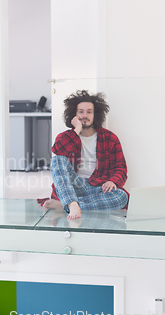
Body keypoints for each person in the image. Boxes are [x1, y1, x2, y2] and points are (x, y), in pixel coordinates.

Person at [42, 90, 129, 219]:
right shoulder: (66, 136)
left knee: (121, 197)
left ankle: (66, 204)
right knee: (57, 159)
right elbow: (58, 154)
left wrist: (112, 181)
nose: (85, 115)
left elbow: (121, 168)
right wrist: (76, 130)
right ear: (74, 114)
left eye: (89, 112)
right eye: (81, 112)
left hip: (98, 187)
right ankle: (72, 203)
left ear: (95, 115)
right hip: (73, 186)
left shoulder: (110, 138)